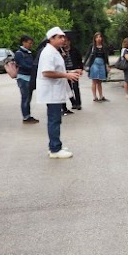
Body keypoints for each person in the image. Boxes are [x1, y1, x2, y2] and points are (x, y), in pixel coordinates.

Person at [38, 27, 80, 158]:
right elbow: (47, 72)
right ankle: (55, 149)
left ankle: (55, 145)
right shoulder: (48, 53)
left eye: (64, 37)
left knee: (55, 119)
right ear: (51, 39)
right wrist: (66, 75)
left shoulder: (54, 51)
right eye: (60, 37)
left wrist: (68, 73)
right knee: (54, 120)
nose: (63, 40)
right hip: (51, 92)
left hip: (54, 91)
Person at [14, 35, 39, 123]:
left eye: (32, 43)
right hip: (23, 78)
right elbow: (23, 65)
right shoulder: (19, 53)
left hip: (29, 78)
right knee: (25, 98)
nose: (31, 45)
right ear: (23, 42)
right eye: (29, 43)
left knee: (28, 98)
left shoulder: (29, 52)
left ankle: (28, 115)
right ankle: (26, 116)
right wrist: (33, 67)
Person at [61, 31, 83, 112]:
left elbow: (79, 60)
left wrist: (81, 68)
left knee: (76, 87)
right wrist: (62, 56)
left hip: (74, 70)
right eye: (64, 41)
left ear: (69, 42)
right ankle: (73, 102)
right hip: (66, 71)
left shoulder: (74, 50)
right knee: (68, 88)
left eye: (66, 41)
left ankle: (78, 103)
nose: (65, 43)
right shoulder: (60, 51)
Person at [84, 32, 110, 102]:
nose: (98, 38)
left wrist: (107, 65)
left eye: (100, 37)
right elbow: (87, 54)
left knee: (100, 81)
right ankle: (95, 97)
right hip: (94, 64)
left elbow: (106, 57)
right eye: (97, 37)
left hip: (102, 64)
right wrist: (84, 64)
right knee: (94, 80)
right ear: (95, 39)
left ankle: (101, 96)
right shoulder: (92, 46)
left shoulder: (104, 46)